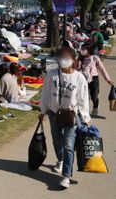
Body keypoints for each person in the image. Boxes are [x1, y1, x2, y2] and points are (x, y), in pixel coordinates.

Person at [39, 46, 90, 189]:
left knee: (68, 145)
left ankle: (66, 176)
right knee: (56, 141)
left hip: (71, 116)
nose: (63, 61)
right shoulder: (52, 74)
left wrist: (85, 118)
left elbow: (83, 99)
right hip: (54, 114)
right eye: (61, 58)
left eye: (66, 59)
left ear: (74, 60)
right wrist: (43, 110)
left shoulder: (79, 78)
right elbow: (45, 93)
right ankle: (60, 160)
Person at [79, 43, 113, 116]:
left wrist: (108, 79)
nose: (82, 50)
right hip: (83, 79)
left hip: (94, 79)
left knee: (94, 96)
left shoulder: (95, 58)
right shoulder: (80, 59)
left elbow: (102, 69)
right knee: (85, 96)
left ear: (89, 50)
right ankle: (85, 111)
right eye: (81, 49)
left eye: (84, 49)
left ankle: (95, 107)